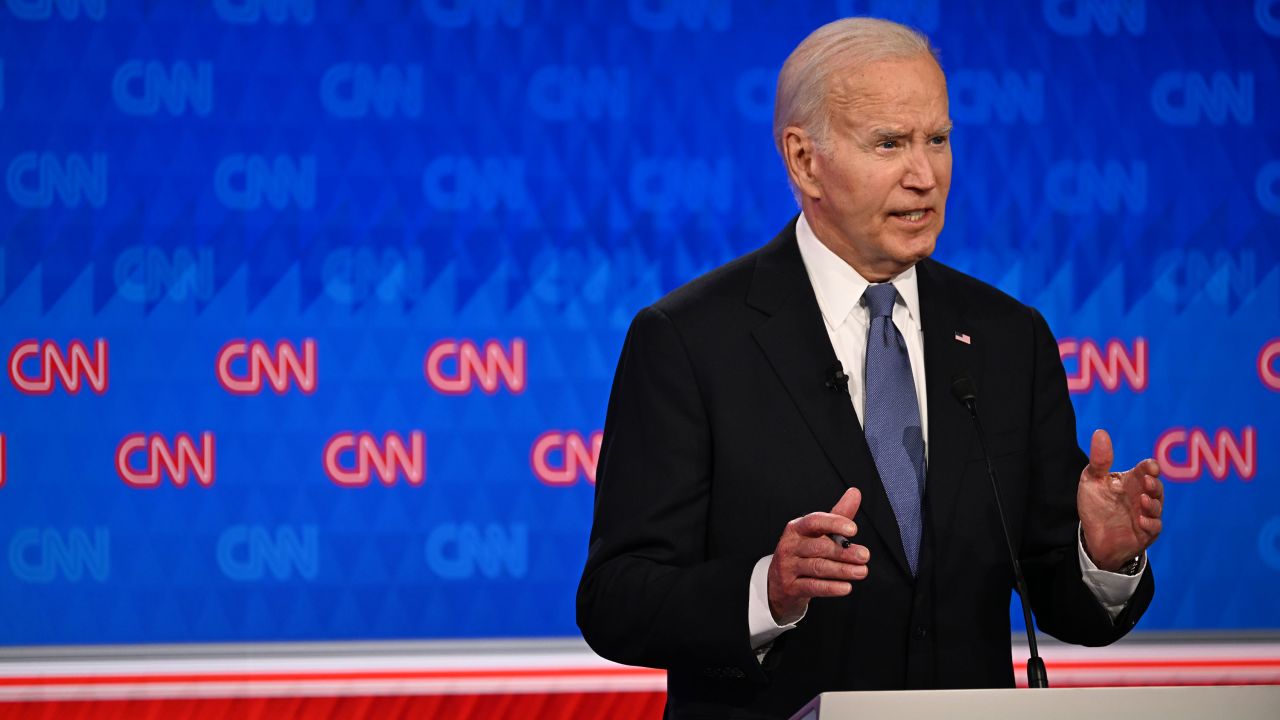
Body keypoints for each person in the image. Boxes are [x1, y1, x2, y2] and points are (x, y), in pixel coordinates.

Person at [577, 17, 1162, 719]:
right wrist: (769, 590)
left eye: (937, 140)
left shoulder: (1010, 338)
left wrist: (1102, 557)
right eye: (889, 143)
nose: (924, 175)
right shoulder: (688, 341)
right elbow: (616, 597)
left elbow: (1063, 600)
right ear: (803, 160)